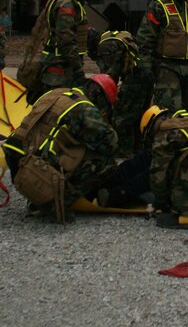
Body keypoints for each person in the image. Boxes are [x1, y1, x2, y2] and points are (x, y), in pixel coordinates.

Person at [3, 74, 118, 222]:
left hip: (16, 159)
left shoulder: (57, 93)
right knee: (105, 162)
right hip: (33, 168)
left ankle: (40, 196)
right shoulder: (84, 108)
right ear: (100, 96)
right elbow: (110, 144)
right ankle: (58, 201)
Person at [38, 0, 99, 99]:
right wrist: (78, 70)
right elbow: (65, 39)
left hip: (63, 67)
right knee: (60, 107)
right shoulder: (66, 4)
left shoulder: (68, 1)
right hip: (59, 70)